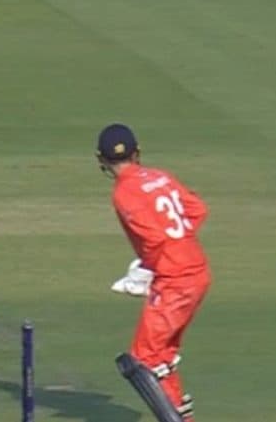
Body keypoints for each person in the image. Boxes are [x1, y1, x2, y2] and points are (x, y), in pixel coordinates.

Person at [96, 123, 211, 422]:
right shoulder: (160, 176)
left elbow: (154, 239)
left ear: (101, 159)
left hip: (174, 281)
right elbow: (197, 210)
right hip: (196, 273)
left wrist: (147, 268)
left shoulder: (123, 193)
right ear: (137, 153)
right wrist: (178, 246)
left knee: (140, 361)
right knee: (162, 356)